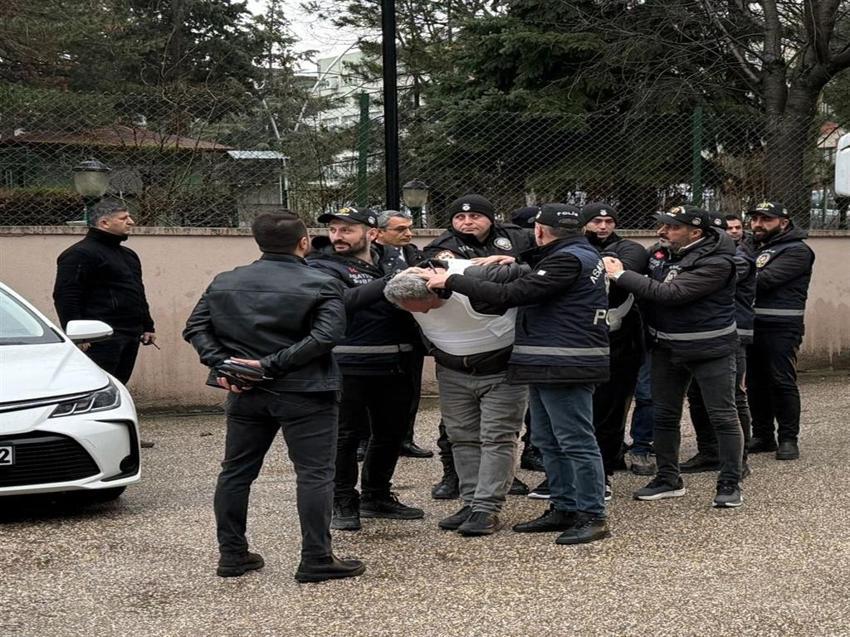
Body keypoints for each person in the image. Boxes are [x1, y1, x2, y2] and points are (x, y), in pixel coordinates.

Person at [183, 211, 365, 582]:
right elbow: (326, 337)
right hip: (306, 391)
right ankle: (316, 558)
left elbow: (196, 328)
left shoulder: (226, 281)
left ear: (258, 241)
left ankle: (232, 555)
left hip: (246, 392)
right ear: (304, 243)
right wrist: (267, 365)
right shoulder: (321, 282)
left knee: (236, 473)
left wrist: (231, 368)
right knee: (314, 474)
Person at [424, 203, 611, 546]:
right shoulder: (576, 254)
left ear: (540, 230)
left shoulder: (567, 260)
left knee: (575, 442)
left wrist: (451, 279)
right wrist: (514, 261)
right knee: (549, 441)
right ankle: (565, 507)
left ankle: (592, 514)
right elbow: (534, 275)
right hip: (546, 361)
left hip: (564, 363)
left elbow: (513, 294)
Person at [604, 205, 745, 508]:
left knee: (722, 415)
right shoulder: (661, 253)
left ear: (696, 232)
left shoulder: (718, 261)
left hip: (711, 350)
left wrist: (620, 274)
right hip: (666, 349)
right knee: (664, 415)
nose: (662, 232)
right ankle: (668, 479)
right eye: (662, 225)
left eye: (671, 227)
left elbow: (671, 294)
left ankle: (730, 482)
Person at [385, 260, 528, 536]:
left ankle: (487, 509)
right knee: (461, 437)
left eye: (427, 306)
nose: (424, 313)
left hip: (502, 370)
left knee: (497, 437)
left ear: (439, 288)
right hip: (452, 371)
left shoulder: (477, 278)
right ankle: (471, 502)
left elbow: (530, 276)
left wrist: (514, 258)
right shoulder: (402, 288)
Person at [309, 206, 424, 531]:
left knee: (390, 434)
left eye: (347, 229)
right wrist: (393, 282)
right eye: (334, 230)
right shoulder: (320, 265)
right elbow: (340, 301)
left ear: (371, 233)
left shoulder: (397, 259)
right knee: (345, 437)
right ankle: (343, 500)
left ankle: (377, 495)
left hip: (397, 363)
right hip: (349, 364)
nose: (337, 236)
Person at [423, 195, 535, 500]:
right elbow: (445, 274)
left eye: (474, 217)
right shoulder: (442, 245)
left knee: (501, 429)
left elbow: (541, 263)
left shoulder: (515, 237)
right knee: (457, 428)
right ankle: (453, 475)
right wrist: (501, 272)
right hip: (462, 341)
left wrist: (513, 262)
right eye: (460, 218)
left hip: (506, 340)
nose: (467, 223)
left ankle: (500, 479)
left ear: (490, 218)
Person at [53, 198, 156, 447]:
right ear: (104, 222)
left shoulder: (129, 255)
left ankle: (121, 436)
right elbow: (66, 295)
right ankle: (90, 440)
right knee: (96, 391)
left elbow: (136, 291)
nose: (131, 222)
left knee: (118, 388)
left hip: (129, 333)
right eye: (124, 218)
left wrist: (147, 325)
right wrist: (78, 335)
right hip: (99, 337)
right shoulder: (79, 254)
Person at [681, 213, 755, 476]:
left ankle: (739, 461)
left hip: (732, 335)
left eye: (734, 229)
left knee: (733, 399)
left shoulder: (737, 259)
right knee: (698, 398)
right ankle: (709, 452)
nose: (731, 233)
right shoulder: (694, 257)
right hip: (705, 336)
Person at [582, 202, 648, 499]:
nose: (603, 226)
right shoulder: (570, 247)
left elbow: (623, 271)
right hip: (577, 340)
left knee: (610, 410)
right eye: (596, 221)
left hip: (620, 341)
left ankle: (604, 473)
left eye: (609, 221)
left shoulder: (630, 248)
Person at [746, 201, 815, 460]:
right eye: (754, 219)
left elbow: (765, 280)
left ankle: (788, 438)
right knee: (754, 382)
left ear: (783, 223)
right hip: (751, 325)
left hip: (781, 326)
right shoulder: (752, 247)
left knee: (781, 380)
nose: (757, 225)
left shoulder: (797, 250)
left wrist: (731, 273)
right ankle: (763, 435)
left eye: (766, 220)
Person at [374, 210, 432, 459]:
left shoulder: (414, 254)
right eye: (400, 229)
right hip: (380, 334)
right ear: (378, 233)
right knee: (374, 394)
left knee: (410, 389)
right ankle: (367, 440)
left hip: (411, 331)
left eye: (409, 228)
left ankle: (405, 439)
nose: (408, 233)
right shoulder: (371, 256)